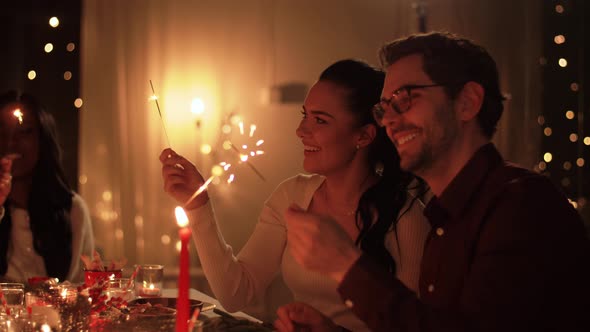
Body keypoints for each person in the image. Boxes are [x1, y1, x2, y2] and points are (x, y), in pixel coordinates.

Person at [277, 32, 590, 332]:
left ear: (467, 102)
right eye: (384, 108)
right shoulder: (446, 218)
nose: (387, 120)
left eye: (404, 99)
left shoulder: (521, 206)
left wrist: (345, 264)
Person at [160, 59, 431, 331]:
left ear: (363, 136)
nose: (301, 131)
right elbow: (235, 293)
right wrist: (198, 206)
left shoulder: (407, 217)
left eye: (320, 120)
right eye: (305, 115)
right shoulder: (293, 196)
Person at [0, 91, 94, 283]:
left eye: (24, 132)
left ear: (43, 139)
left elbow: (80, 284)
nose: (11, 142)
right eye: (2, 133)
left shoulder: (72, 209)